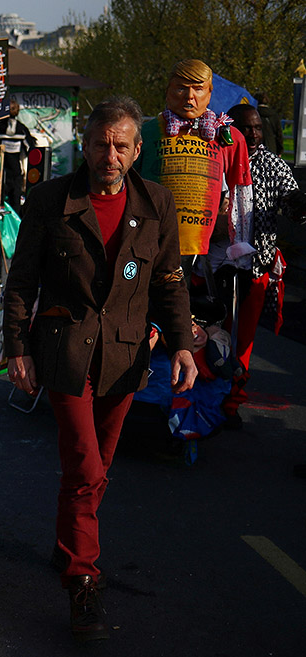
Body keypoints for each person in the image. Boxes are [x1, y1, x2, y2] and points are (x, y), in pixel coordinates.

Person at [4, 97, 197, 643]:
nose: (108, 154)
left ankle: (68, 543)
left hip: (125, 355)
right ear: (83, 146)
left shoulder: (158, 203)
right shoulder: (49, 200)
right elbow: (21, 284)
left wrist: (182, 345)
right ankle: (82, 577)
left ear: (138, 151)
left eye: (120, 145)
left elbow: (167, 282)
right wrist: (17, 348)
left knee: (96, 465)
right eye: (99, 143)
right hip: (65, 352)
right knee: (86, 463)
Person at [220, 104, 306, 428]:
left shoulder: (272, 164)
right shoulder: (220, 158)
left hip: (257, 268)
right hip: (218, 267)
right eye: (247, 128)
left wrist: (299, 204)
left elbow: (291, 199)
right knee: (215, 335)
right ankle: (209, 397)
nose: (255, 134)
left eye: (258, 128)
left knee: (244, 343)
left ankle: (232, 403)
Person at [137, 59, 252, 268]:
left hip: (204, 247)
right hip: (151, 241)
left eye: (198, 89)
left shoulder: (229, 136)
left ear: (209, 93)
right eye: (181, 88)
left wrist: (240, 241)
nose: (190, 97)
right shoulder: (146, 132)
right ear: (168, 91)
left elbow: (242, 191)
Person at [0, 100, 37, 214]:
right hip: (16, 171)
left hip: (0, 170)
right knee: (15, 200)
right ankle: (15, 225)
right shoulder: (21, 129)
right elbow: (31, 148)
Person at [253, 92, 284, 157]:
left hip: (256, 146)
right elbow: (279, 134)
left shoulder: (253, 114)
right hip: (271, 146)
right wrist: (280, 150)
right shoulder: (273, 115)